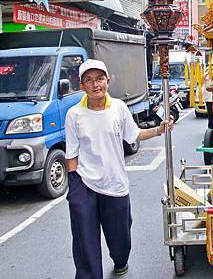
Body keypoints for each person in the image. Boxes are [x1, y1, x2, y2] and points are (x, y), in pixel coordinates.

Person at [65, 59, 173, 279]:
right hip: (84, 183)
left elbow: (134, 135)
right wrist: (74, 185)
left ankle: (120, 260)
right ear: (82, 84)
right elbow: (71, 154)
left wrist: (159, 130)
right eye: (89, 80)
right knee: (84, 238)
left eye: (99, 79)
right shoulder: (74, 114)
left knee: (120, 235)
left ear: (107, 81)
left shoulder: (118, 108)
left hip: (115, 182)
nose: (95, 85)